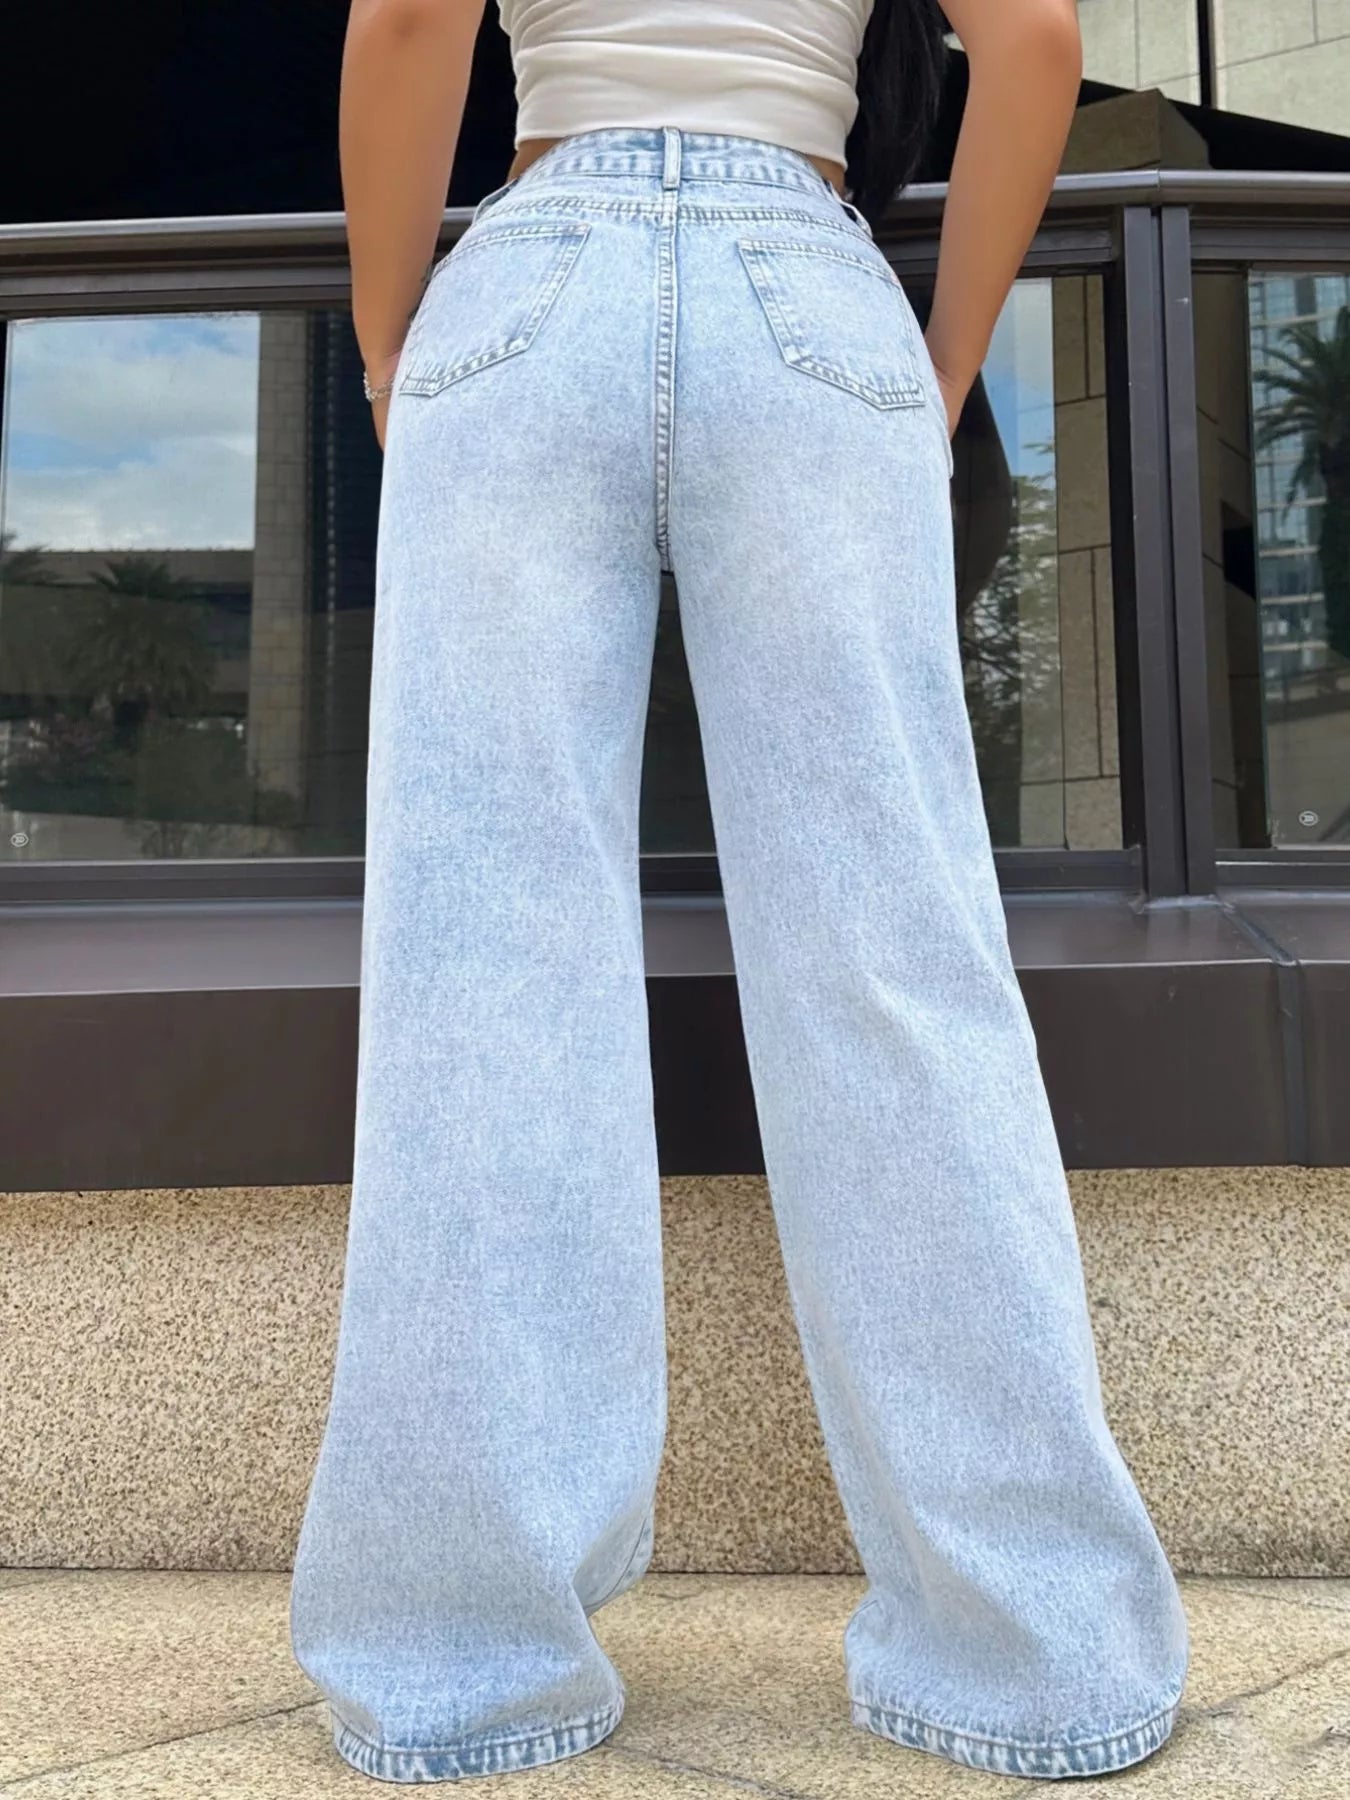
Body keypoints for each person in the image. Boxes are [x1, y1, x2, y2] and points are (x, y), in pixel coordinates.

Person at [288, 0, 1191, 1784]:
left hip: (529, 284)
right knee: (900, 968)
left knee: (482, 970)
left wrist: (397, 356)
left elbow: (404, 23)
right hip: (808, 281)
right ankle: (1037, 1657)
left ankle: (457, 1671)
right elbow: (1031, 41)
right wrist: (930, 373)